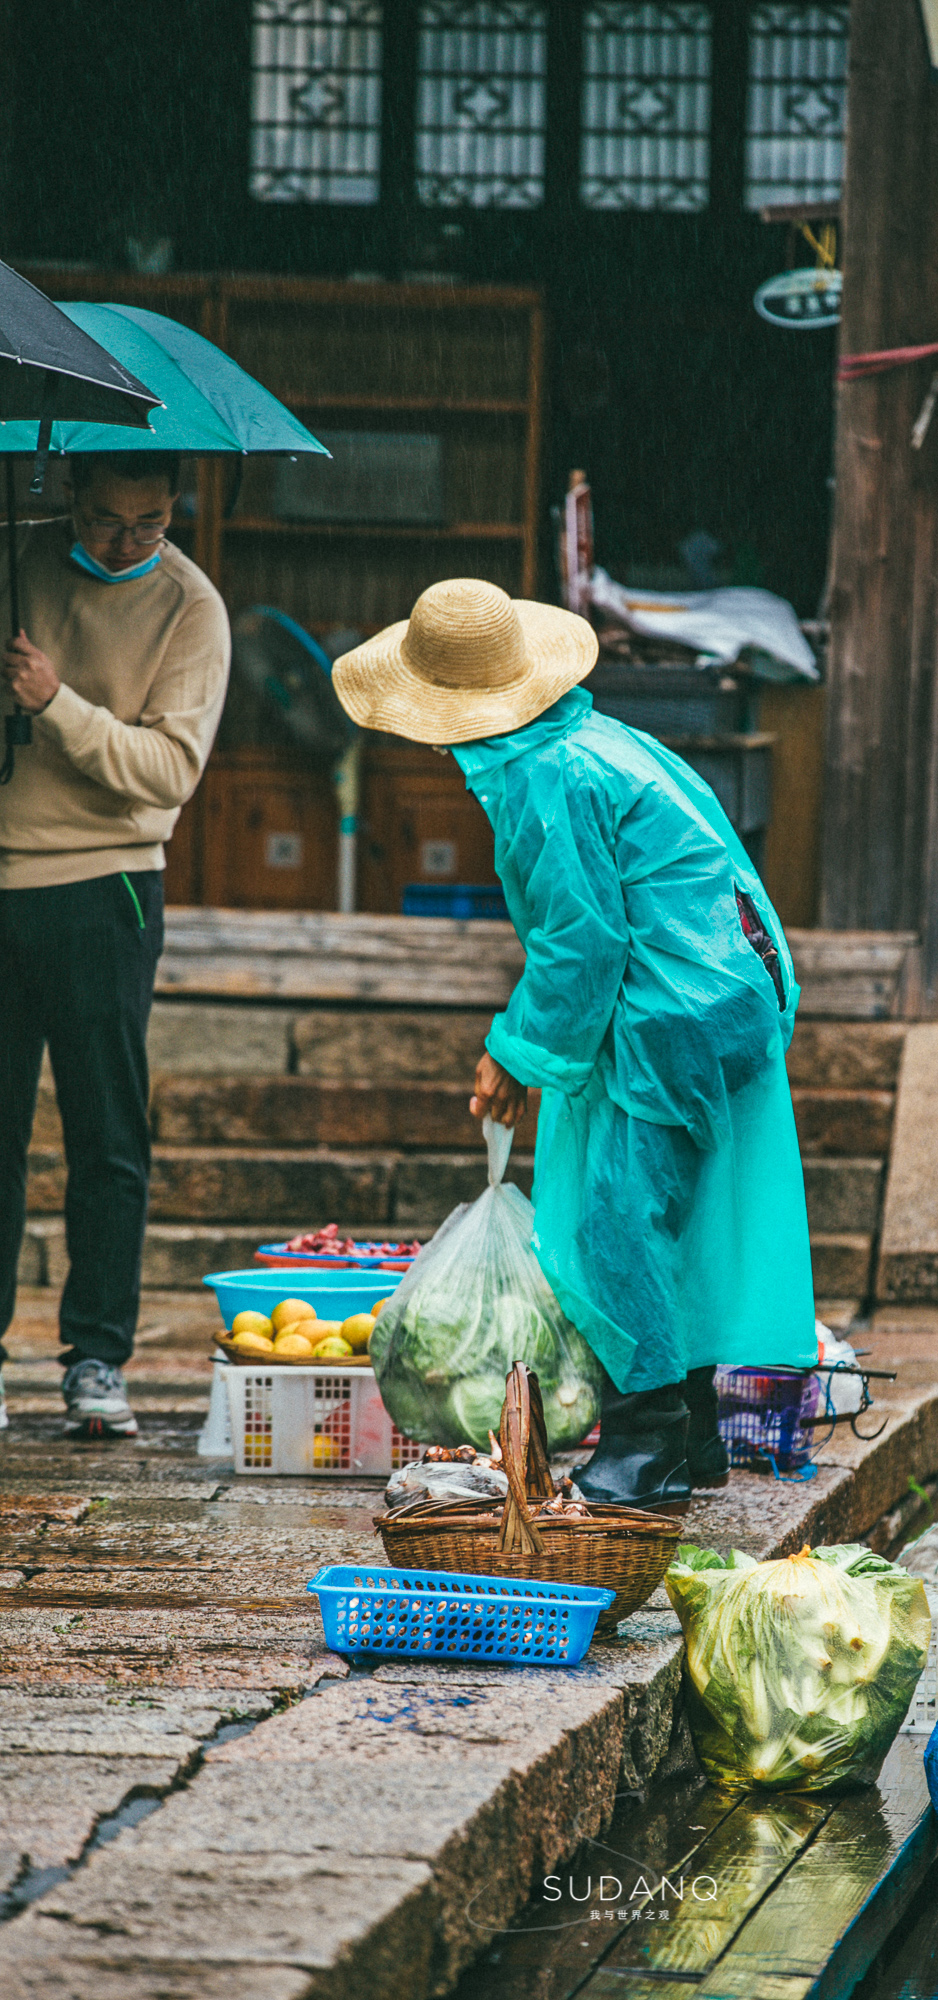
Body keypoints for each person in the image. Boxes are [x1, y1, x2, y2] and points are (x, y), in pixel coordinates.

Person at [333, 577, 816, 1509]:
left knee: (615, 1219)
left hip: (672, 1006)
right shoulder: (587, 740)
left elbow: (579, 947)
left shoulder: (543, 775)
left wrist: (514, 1054)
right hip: (714, 991)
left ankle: (645, 1444)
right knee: (664, 1212)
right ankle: (692, 1430)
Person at [0, 453, 230, 1437]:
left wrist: (54, 703)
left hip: (106, 886)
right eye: (105, 520)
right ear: (67, 495)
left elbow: (168, 771)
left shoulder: (190, 606)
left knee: (106, 1136)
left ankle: (96, 1357)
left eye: (151, 522)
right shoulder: (14, 561)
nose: (128, 541)